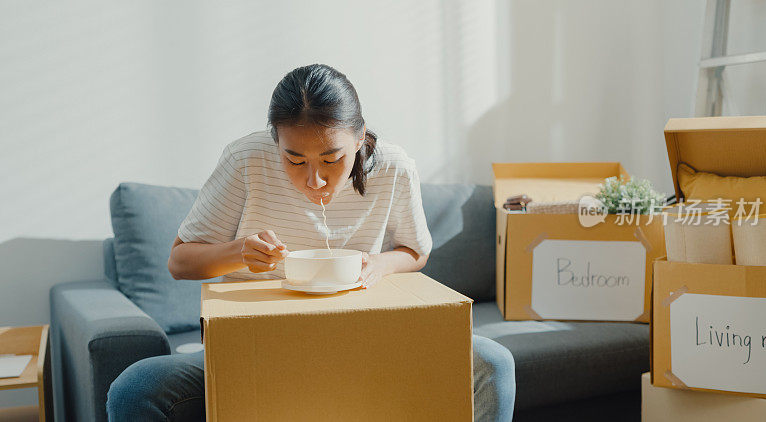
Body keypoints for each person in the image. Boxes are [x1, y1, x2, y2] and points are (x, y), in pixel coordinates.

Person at [105, 64, 515, 421]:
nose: (313, 181)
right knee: (136, 388)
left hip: (365, 339)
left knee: (492, 362)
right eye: (294, 161)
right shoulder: (246, 160)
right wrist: (238, 252)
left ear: (359, 139)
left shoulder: (394, 168)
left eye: (332, 160)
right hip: (257, 347)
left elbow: (415, 251)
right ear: (275, 142)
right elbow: (180, 263)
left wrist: (379, 264)